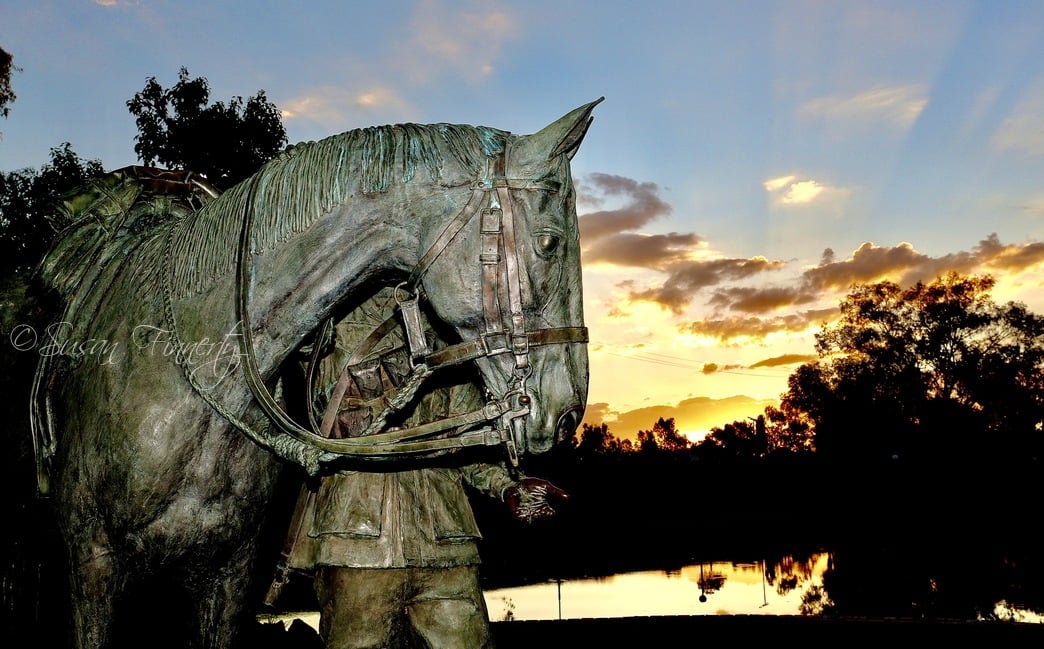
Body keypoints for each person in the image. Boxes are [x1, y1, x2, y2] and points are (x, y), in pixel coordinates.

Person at [274, 288, 567, 649]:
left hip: (447, 543)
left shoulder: (443, 328)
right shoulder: (326, 316)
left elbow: (465, 437)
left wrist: (507, 485)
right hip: (354, 541)